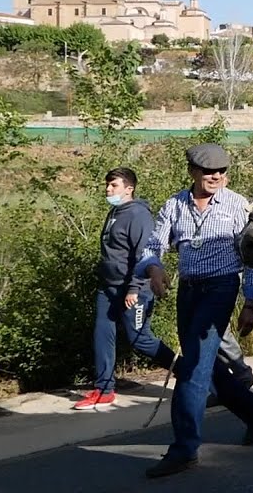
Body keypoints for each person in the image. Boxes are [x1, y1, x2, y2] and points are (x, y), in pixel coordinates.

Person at [133, 143, 253, 478]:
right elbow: (153, 245)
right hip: (189, 290)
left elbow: (252, 255)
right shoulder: (175, 205)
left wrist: (250, 302)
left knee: (193, 368)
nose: (216, 177)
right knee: (205, 368)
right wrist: (154, 269)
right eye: (209, 171)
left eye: (222, 171)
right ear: (193, 172)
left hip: (222, 288)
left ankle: (184, 449)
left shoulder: (238, 205)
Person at [74, 168, 177, 411]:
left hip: (134, 289)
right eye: (107, 185)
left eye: (114, 185)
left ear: (129, 188)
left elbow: (145, 254)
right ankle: (104, 390)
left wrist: (134, 288)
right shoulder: (115, 212)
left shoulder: (138, 215)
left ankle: (193, 375)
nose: (108, 190)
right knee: (102, 335)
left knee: (141, 340)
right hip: (108, 288)